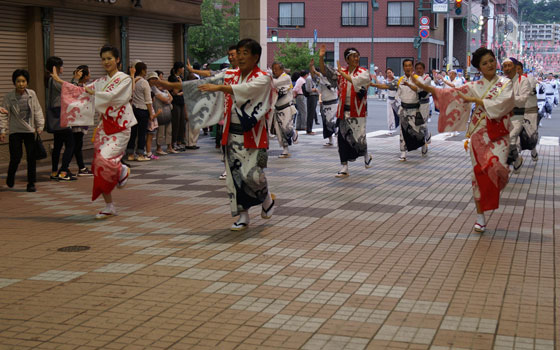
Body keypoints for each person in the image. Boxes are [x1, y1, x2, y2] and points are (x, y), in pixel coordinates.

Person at [159, 38, 276, 231]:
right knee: (234, 176)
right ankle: (243, 215)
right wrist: (167, 84)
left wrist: (221, 88)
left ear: (256, 57)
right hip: (232, 134)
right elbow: (204, 83)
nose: (240, 57)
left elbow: (248, 90)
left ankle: (267, 198)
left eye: (245, 53)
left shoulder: (263, 77)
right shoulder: (230, 74)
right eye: (238, 53)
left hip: (254, 135)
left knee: (254, 175)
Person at [412, 47, 515, 233]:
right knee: (478, 173)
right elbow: (450, 94)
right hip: (478, 134)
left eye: (491, 60)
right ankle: (480, 216)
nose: (490, 64)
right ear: (479, 68)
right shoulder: (475, 86)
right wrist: (426, 87)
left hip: (499, 135)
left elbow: (506, 103)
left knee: (497, 167)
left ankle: (496, 186)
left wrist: (481, 102)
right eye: (485, 63)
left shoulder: (505, 83)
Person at [53, 44, 136, 219]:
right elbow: (83, 91)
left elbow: (115, 97)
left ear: (117, 60)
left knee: (104, 160)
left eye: (109, 58)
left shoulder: (125, 79)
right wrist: (62, 82)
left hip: (120, 127)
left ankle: (120, 168)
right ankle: (109, 205)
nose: (106, 62)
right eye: (103, 59)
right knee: (98, 165)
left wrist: (94, 93)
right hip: (104, 128)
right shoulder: (101, 81)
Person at [318, 44, 373, 178]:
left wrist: (343, 74)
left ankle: (365, 154)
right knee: (342, 139)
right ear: (347, 59)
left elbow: (356, 81)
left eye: (357, 56)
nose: (356, 58)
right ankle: (344, 166)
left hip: (358, 111)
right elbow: (325, 71)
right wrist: (321, 58)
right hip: (343, 110)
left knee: (359, 139)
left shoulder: (363, 72)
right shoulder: (341, 72)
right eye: (353, 56)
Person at [0, 69, 44, 192]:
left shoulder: (31, 94)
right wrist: (3, 130)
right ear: (14, 82)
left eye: (23, 81)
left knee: (31, 158)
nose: (21, 84)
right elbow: (3, 114)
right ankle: (10, 175)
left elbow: (37, 110)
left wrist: (40, 125)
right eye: (18, 81)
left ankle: (31, 183)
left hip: (29, 130)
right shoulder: (9, 97)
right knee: (16, 157)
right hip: (15, 131)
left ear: (27, 82)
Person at [46, 56, 76, 181]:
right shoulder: (54, 80)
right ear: (55, 68)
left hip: (56, 114)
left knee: (58, 145)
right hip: (60, 115)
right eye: (61, 66)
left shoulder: (51, 80)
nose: (62, 68)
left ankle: (54, 172)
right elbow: (71, 90)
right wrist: (75, 79)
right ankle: (63, 171)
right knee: (71, 143)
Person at [502, 57, 530, 173]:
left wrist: (510, 98)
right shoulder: (501, 82)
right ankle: (513, 160)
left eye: (510, 66)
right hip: (503, 117)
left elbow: (523, 99)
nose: (507, 69)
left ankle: (516, 160)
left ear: (515, 67)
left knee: (512, 140)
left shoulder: (523, 80)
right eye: (505, 66)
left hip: (517, 117)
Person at [271, 62, 298, 158]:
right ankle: (285, 149)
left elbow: (275, 84)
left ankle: (294, 132)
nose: (274, 71)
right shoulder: (275, 79)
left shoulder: (285, 78)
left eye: (276, 69)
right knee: (279, 131)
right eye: (273, 69)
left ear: (282, 70)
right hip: (277, 108)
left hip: (287, 107)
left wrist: (266, 79)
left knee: (287, 128)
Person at [70, 65, 93, 176]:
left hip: (82, 119)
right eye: (88, 73)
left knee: (76, 144)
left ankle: (79, 167)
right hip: (77, 120)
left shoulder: (84, 86)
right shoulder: (78, 87)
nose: (90, 76)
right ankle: (76, 167)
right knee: (76, 144)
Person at [515, 61, 539, 162]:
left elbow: (529, 91)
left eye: (518, 69)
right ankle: (517, 157)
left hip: (530, 111)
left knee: (530, 134)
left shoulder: (530, 79)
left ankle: (533, 150)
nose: (516, 71)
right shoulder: (509, 81)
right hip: (516, 111)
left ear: (521, 69)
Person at [309, 59, 337, 146]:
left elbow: (318, 74)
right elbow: (314, 76)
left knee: (331, 121)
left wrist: (314, 69)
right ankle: (330, 139)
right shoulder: (321, 78)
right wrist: (311, 66)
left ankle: (337, 134)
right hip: (325, 102)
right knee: (326, 122)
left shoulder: (332, 78)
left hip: (332, 102)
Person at [148, 71, 174, 156]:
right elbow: (164, 99)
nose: (158, 80)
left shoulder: (164, 88)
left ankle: (169, 147)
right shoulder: (153, 89)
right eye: (154, 79)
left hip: (167, 111)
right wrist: (167, 100)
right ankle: (159, 148)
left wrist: (168, 100)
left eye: (157, 79)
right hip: (159, 112)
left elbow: (170, 97)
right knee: (161, 131)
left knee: (169, 130)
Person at [169, 62, 186, 151]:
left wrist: (181, 91)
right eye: (182, 68)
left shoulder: (181, 78)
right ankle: (173, 142)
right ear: (178, 68)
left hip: (182, 101)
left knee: (182, 122)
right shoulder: (172, 78)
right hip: (175, 102)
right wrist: (180, 84)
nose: (183, 69)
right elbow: (175, 91)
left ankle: (180, 141)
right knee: (176, 122)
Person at [414, 62, 432, 144]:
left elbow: (423, 93)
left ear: (424, 69)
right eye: (417, 68)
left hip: (424, 103)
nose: (418, 70)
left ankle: (427, 135)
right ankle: (420, 141)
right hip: (414, 103)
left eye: (420, 68)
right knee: (415, 124)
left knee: (423, 124)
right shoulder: (413, 78)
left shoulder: (427, 78)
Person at [305, 69, 319, 133]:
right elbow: (308, 89)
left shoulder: (314, 78)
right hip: (311, 96)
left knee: (312, 113)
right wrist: (315, 89)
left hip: (315, 96)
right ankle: (309, 129)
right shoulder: (309, 78)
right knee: (310, 113)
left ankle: (309, 129)